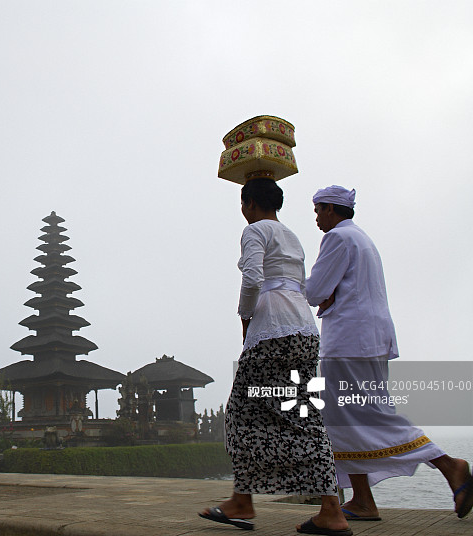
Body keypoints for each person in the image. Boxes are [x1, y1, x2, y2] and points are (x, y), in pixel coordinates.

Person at [305, 185, 473, 520]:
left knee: (366, 413)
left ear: (331, 210)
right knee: (344, 419)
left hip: (350, 342)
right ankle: (363, 500)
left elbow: (314, 291)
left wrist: (320, 293)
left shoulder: (337, 239)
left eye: (318, 209)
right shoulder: (363, 240)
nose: (316, 217)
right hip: (370, 339)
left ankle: (448, 464)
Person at [200, 178, 350, 535]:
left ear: (249, 203)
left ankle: (319, 508)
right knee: (288, 412)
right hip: (303, 329)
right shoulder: (291, 234)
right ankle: (248, 499)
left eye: (243, 203)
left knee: (244, 414)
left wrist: (245, 316)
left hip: (273, 330)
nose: (242, 211)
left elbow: (252, 279)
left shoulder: (254, 231)